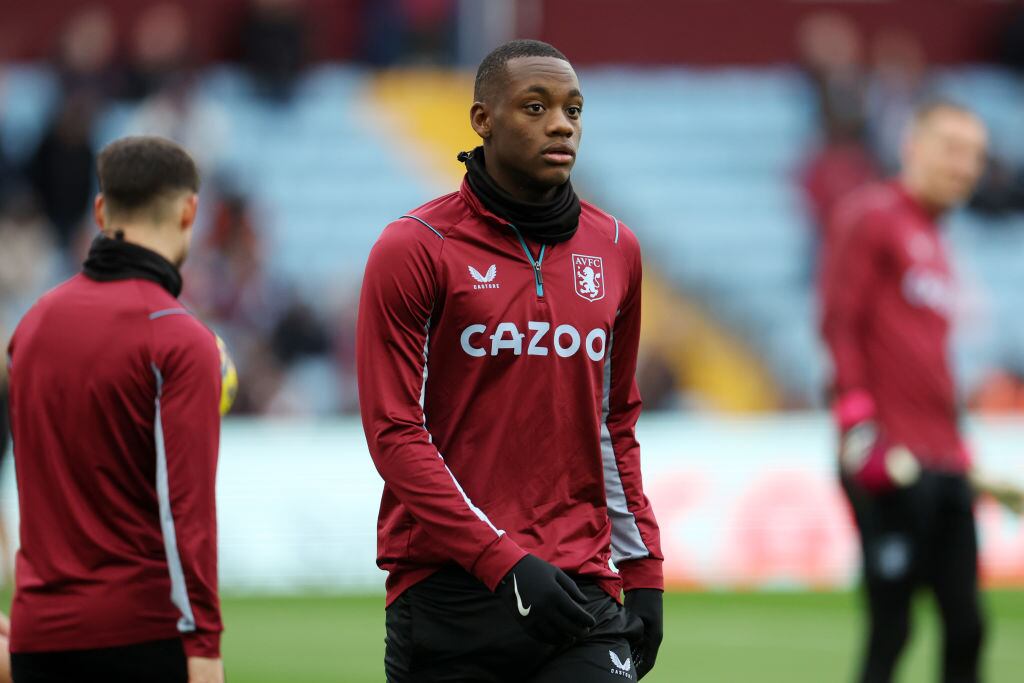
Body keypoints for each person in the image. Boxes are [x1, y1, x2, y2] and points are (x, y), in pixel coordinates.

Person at [357, 40, 663, 682]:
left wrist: (645, 571)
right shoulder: (417, 248)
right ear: (482, 119)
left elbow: (616, 425)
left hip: (580, 592)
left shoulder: (616, 249)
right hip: (450, 592)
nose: (561, 124)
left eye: (574, 110)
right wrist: (501, 560)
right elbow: (394, 433)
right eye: (535, 106)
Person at [6, 136, 229, 683]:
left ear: (101, 210)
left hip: (37, 635)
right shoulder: (180, 340)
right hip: (140, 635)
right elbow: (186, 514)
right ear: (189, 210)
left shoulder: (30, 327)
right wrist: (204, 645)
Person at [820, 101, 1024, 683]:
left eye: (976, 157)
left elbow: (924, 362)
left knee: (968, 626)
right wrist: (859, 426)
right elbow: (839, 324)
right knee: (894, 628)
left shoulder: (935, 237)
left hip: (940, 459)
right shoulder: (873, 216)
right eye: (952, 150)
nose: (965, 168)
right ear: (913, 146)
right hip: (889, 462)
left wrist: (965, 460)